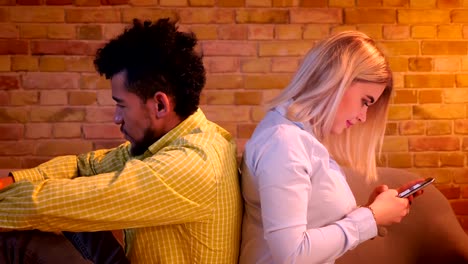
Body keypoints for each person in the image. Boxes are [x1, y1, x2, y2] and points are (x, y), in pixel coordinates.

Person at [0, 18, 242, 264]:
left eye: (121, 105)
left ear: (160, 104)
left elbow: (52, 203)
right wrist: (10, 181)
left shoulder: (192, 164)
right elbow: (84, 167)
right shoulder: (171, 141)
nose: (116, 118)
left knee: (20, 241)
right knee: (68, 203)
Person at [239, 31, 424, 264]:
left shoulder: (298, 138)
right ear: (338, 79)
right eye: (365, 102)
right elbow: (291, 255)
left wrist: (372, 211)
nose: (363, 117)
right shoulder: (285, 144)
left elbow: (312, 231)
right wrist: (371, 217)